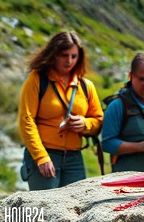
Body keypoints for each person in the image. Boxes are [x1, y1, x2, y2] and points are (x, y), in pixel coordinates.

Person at [18, 31, 104, 190]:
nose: (69, 61)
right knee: (43, 211)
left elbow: (98, 120)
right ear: (53, 54)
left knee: (77, 208)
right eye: (64, 55)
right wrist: (41, 156)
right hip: (44, 155)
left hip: (74, 158)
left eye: (74, 56)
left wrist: (85, 124)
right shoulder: (37, 79)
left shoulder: (86, 86)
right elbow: (26, 119)